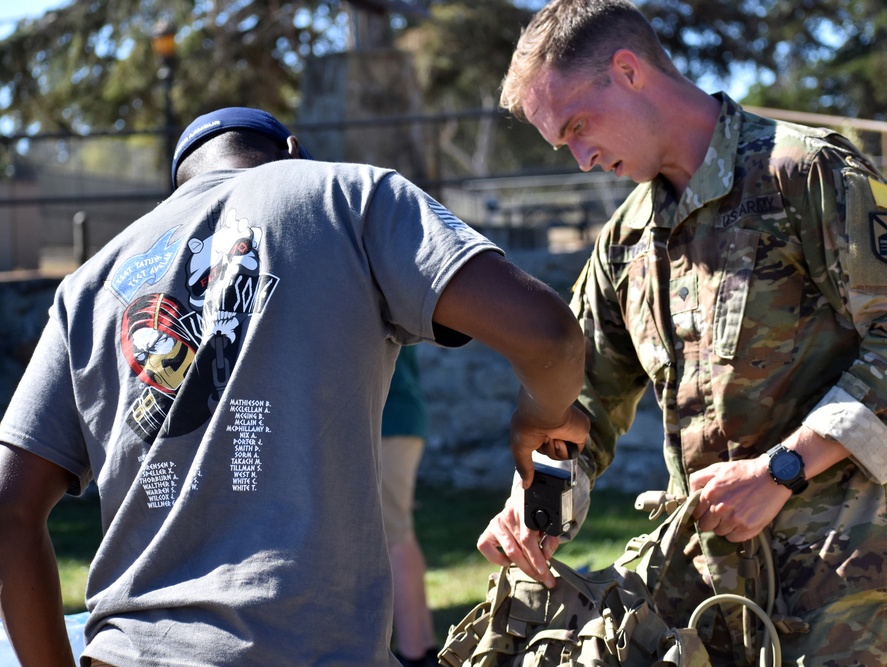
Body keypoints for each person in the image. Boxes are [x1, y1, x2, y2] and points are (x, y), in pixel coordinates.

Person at [0, 107, 590, 667]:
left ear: (175, 192)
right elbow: (551, 337)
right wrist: (541, 414)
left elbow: (9, 509)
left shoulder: (88, 287)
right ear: (291, 151)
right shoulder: (349, 195)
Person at [477, 1, 887, 664]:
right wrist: (535, 502)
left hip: (832, 590)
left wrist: (783, 468)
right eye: (563, 143)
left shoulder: (805, 175)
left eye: (577, 126)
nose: (583, 159)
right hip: (697, 605)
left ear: (627, 71)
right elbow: (582, 401)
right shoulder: (627, 242)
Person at [380, 345, 436, 667]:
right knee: (401, 536)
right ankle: (424, 648)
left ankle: (413, 655)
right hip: (403, 418)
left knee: (393, 539)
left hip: (390, 419)